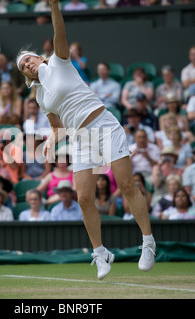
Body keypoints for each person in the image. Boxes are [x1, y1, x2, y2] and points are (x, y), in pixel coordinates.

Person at [16, 1, 155, 279]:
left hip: (103, 125)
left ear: (40, 59)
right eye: (22, 66)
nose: (27, 64)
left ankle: (148, 242)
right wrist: (50, 141)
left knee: (127, 184)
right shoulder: (40, 97)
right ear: (26, 76)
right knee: (83, 198)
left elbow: (59, 33)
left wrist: (54, 6)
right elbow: (57, 127)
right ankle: (101, 253)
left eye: (29, 59)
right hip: (80, 139)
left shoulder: (59, 61)